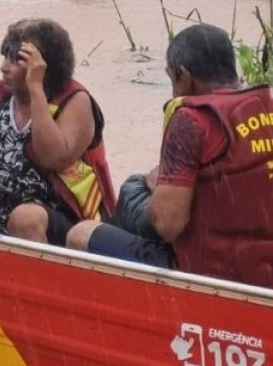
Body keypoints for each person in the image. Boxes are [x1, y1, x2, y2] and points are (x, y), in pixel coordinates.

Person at [66, 24, 273, 288]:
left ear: (185, 76)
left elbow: (167, 224)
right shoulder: (265, 106)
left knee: (81, 232)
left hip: (205, 274)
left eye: (172, 80)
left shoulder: (192, 119)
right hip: (263, 275)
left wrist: (158, 187)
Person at [0, 18, 115, 245]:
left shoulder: (74, 102)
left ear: (43, 67)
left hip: (61, 224)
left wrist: (36, 88)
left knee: (25, 218)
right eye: (5, 56)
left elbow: (51, 159)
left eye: (16, 60)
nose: (3, 67)